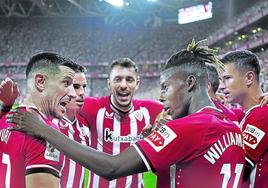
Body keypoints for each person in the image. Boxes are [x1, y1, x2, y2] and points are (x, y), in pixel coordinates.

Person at [9, 40, 246, 188]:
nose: (162, 96)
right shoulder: (233, 125)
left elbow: (112, 167)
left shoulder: (183, 127)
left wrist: (42, 129)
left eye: (166, 87)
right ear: (110, 83)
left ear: (190, 83)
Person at [77, 57, 163, 188]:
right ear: (109, 83)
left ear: (137, 83)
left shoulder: (152, 110)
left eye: (129, 79)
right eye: (117, 79)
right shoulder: (92, 107)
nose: (123, 85)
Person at [0, 52, 81, 188]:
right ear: (41, 82)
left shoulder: (5, 118)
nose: (73, 94)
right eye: (66, 83)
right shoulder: (43, 132)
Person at [220, 50, 268, 188]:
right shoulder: (250, 115)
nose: (222, 86)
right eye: (220, 80)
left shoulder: (262, 114)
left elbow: (235, 169)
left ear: (249, 78)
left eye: (227, 78)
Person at [52, 65, 90, 188]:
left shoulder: (84, 129)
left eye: (84, 87)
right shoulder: (49, 125)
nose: (82, 93)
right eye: (76, 87)